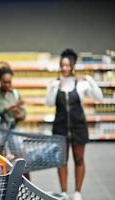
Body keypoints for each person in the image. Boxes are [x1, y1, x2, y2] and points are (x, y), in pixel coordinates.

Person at [46, 49, 103, 200]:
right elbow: (49, 104)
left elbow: (99, 97)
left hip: (78, 128)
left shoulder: (81, 85)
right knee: (61, 160)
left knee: (79, 159)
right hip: (60, 128)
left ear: (72, 66)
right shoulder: (54, 84)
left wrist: (90, 79)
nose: (64, 68)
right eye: (62, 65)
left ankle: (77, 192)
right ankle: (64, 192)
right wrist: (51, 89)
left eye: (67, 65)